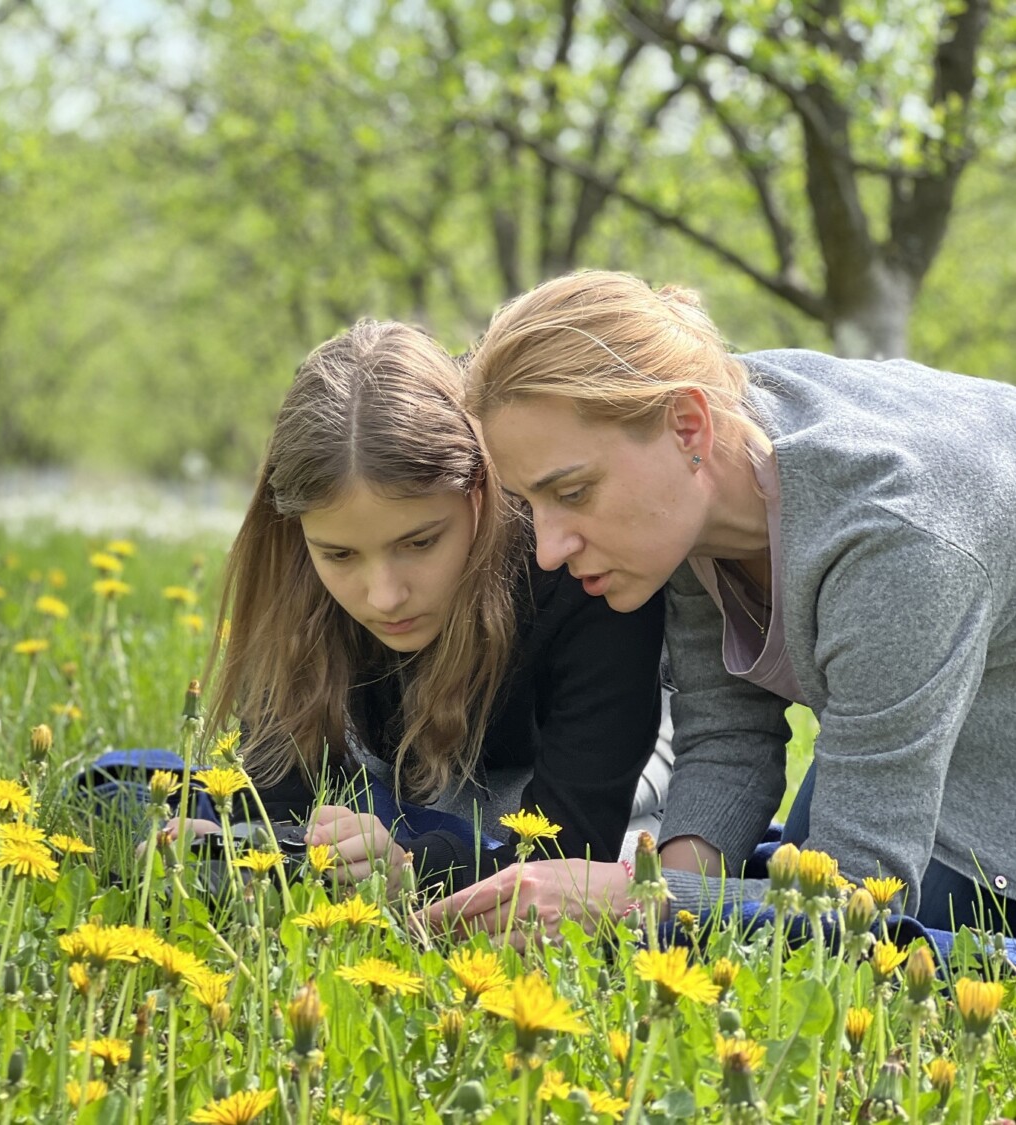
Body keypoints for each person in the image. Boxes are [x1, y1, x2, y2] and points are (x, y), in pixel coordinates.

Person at [432, 268, 1016, 940]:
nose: (549, 551)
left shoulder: (896, 540)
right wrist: (658, 925)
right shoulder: (712, 454)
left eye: (573, 492)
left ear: (687, 425)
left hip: (989, 809)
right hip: (920, 753)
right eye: (531, 504)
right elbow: (727, 731)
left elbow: (858, 899)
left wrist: (633, 903)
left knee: (895, 951)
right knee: (766, 901)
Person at [173, 318, 671, 894]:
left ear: (482, 490)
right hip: (412, 787)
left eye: (420, 543)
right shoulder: (296, 584)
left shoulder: (576, 570)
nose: (384, 596)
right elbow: (278, 809)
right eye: (339, 554)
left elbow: (572, 852)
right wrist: (226, 849)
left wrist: (413, 869)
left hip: (617, 781)